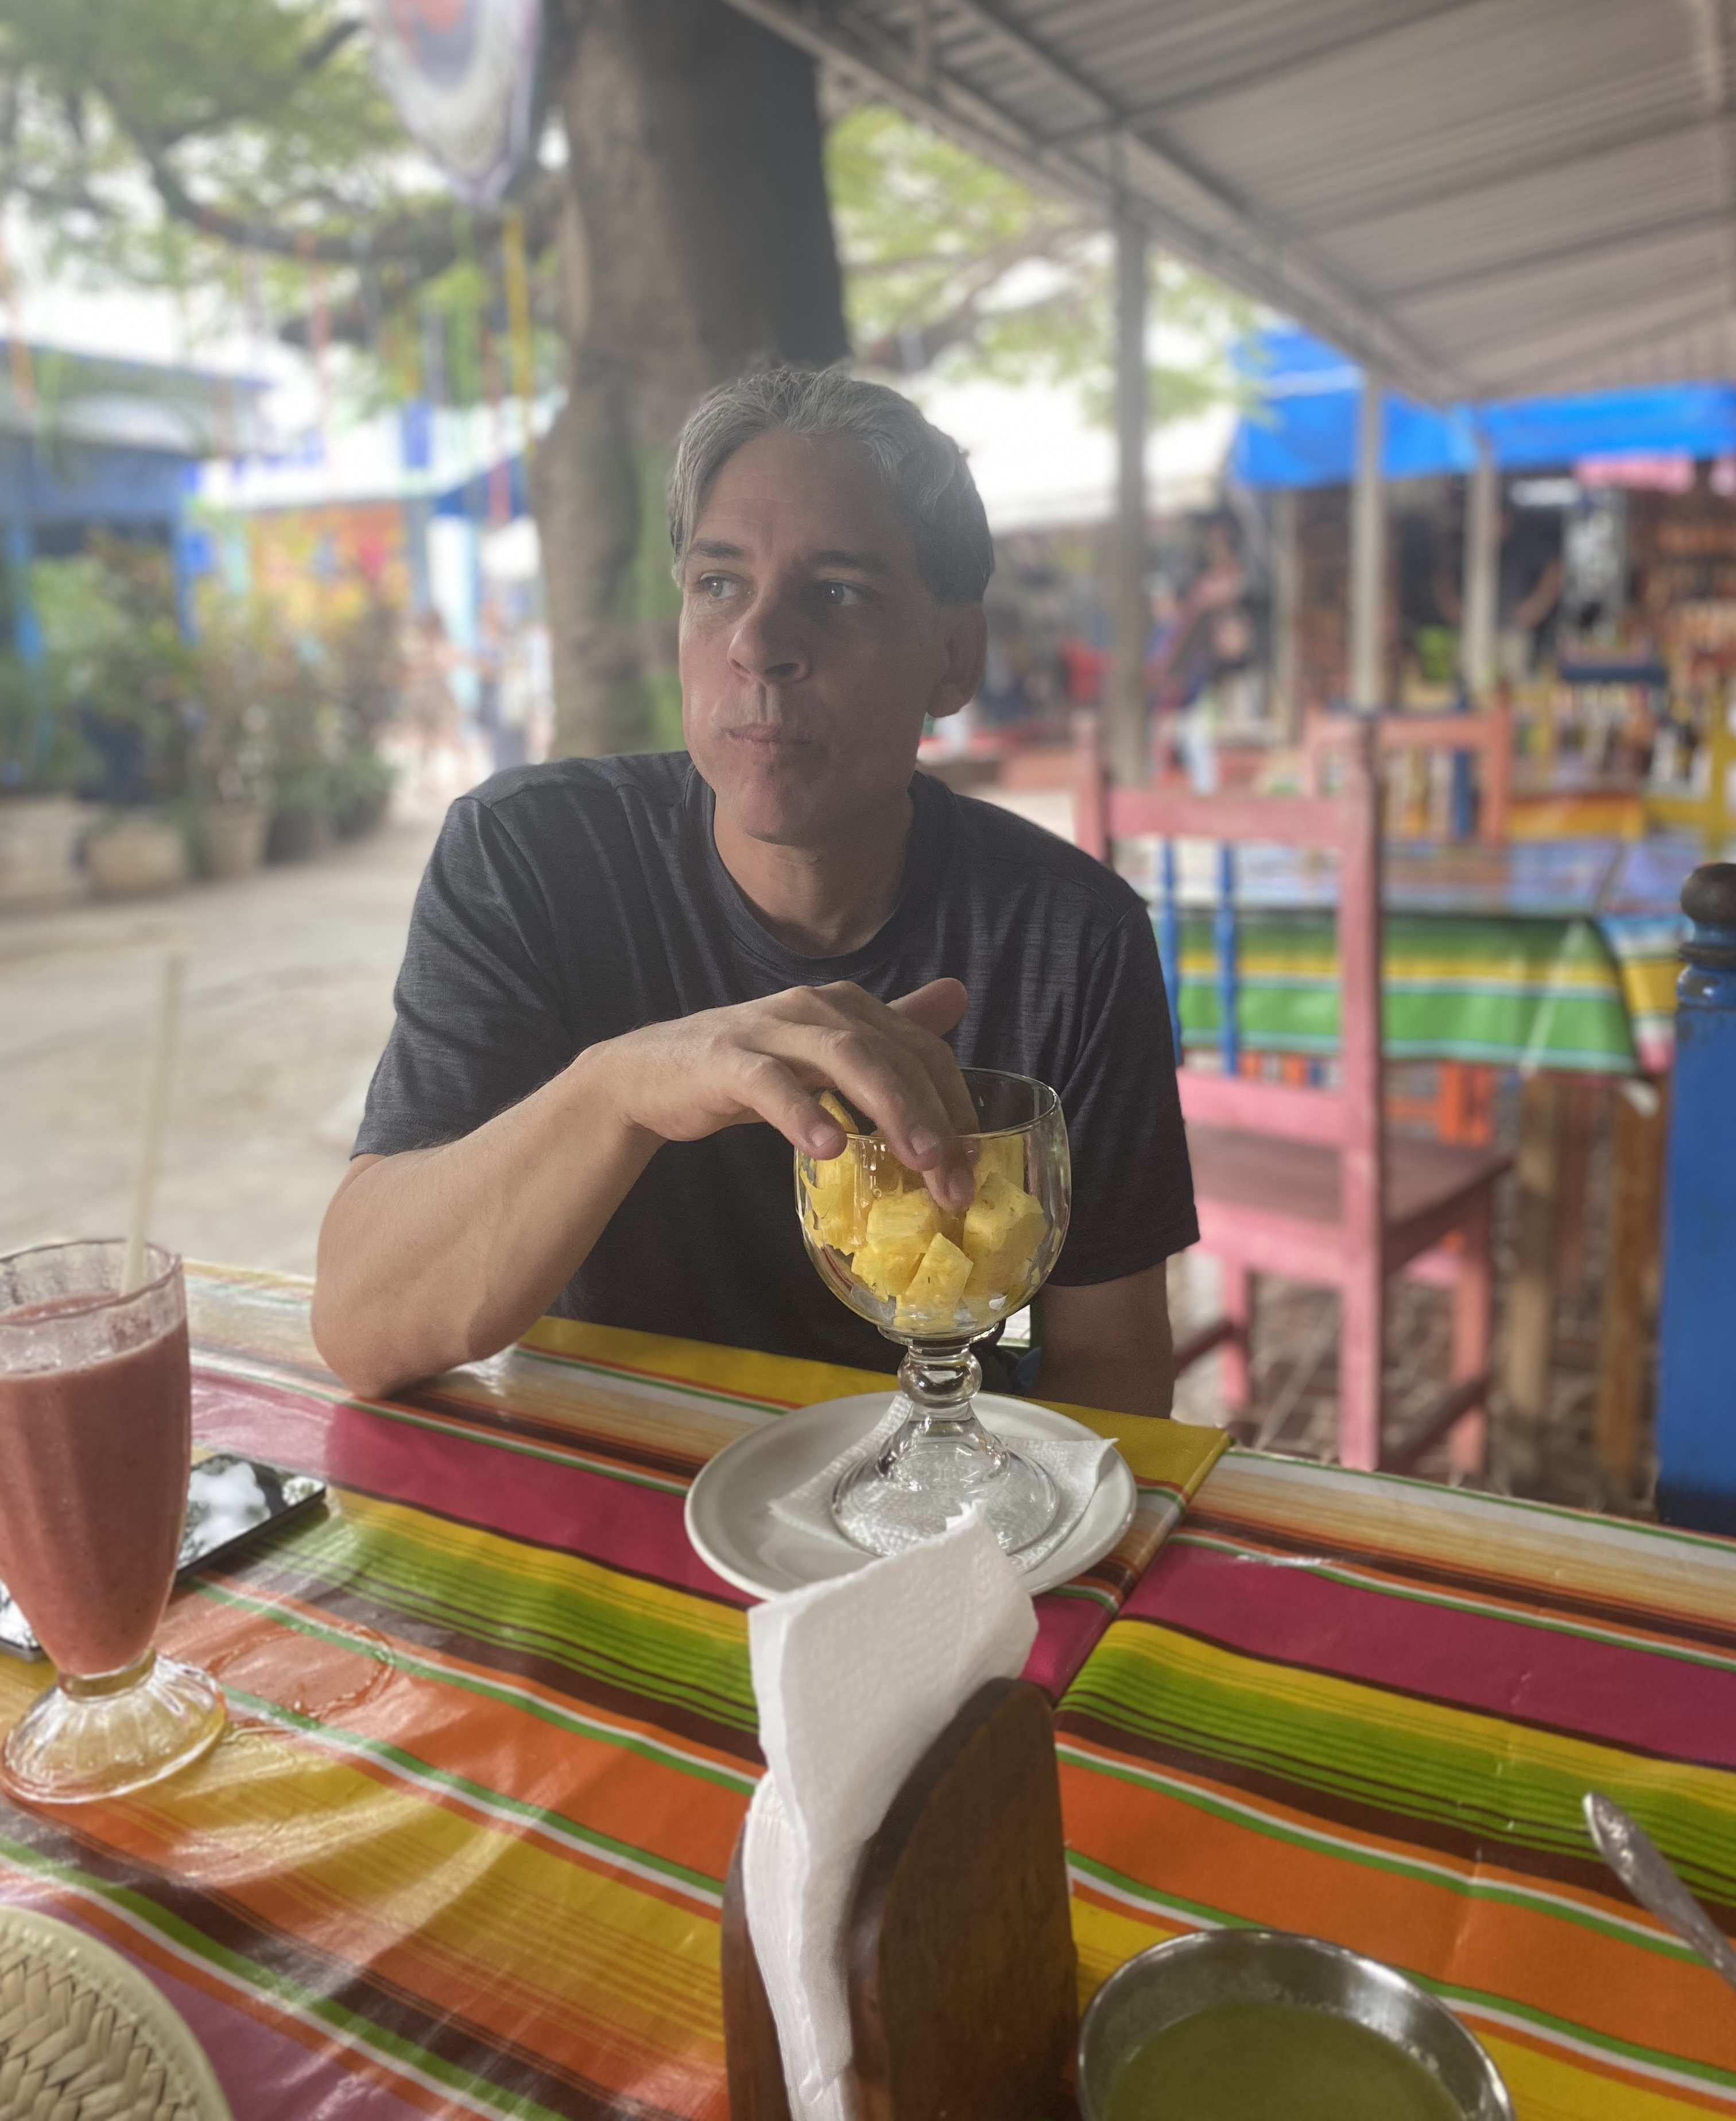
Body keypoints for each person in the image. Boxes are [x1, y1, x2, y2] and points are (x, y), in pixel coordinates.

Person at [313, 369, 1197, 1413]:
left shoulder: (1069, 934)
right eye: (719, 584)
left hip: (925, 1504)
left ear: (953, 656)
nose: (759, 644)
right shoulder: (530, 859)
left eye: (839, 593)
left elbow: (1113, 1368)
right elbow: (362, 1324)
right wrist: (623, 1089)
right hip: (615, 1474)